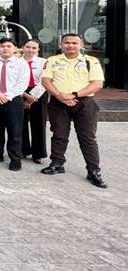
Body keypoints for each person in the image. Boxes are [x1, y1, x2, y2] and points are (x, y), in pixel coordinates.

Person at [40, 33, 107, 188]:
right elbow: (46, 80)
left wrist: (74, 95)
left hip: (84, 103)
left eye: (74, 43)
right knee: (59, 135)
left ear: (81, 44)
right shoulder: (52, 61)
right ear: (61, 44)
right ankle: (57, 163)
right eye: (67, 43)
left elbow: (97, 84)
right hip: (58, 102)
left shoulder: (91, 61)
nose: (70, 46)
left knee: (88, 138)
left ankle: (93, 171)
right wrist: (60, 95)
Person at [0, 38, 28, 171]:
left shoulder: (21, 63)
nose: (5, 48)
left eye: (9, 46)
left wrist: (7, 96)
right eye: (2, 46)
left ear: (15, 48)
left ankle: (15, 158)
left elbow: (23, 83)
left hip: (13, 100)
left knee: (14, 130)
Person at [21, 39, 48, 164]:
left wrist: (32, 98)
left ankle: (38, 153)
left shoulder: (43, 62)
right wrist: (25, 96)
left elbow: (45, 81)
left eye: (34, 48)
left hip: (39, 93)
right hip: (20, 92)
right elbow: (13, 81)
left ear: (38, 50)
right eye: (28, 47)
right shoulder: (17, 61)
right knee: (20, 123)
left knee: (38, 124)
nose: (30, 50)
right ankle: (23, 150)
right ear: (23, 47)